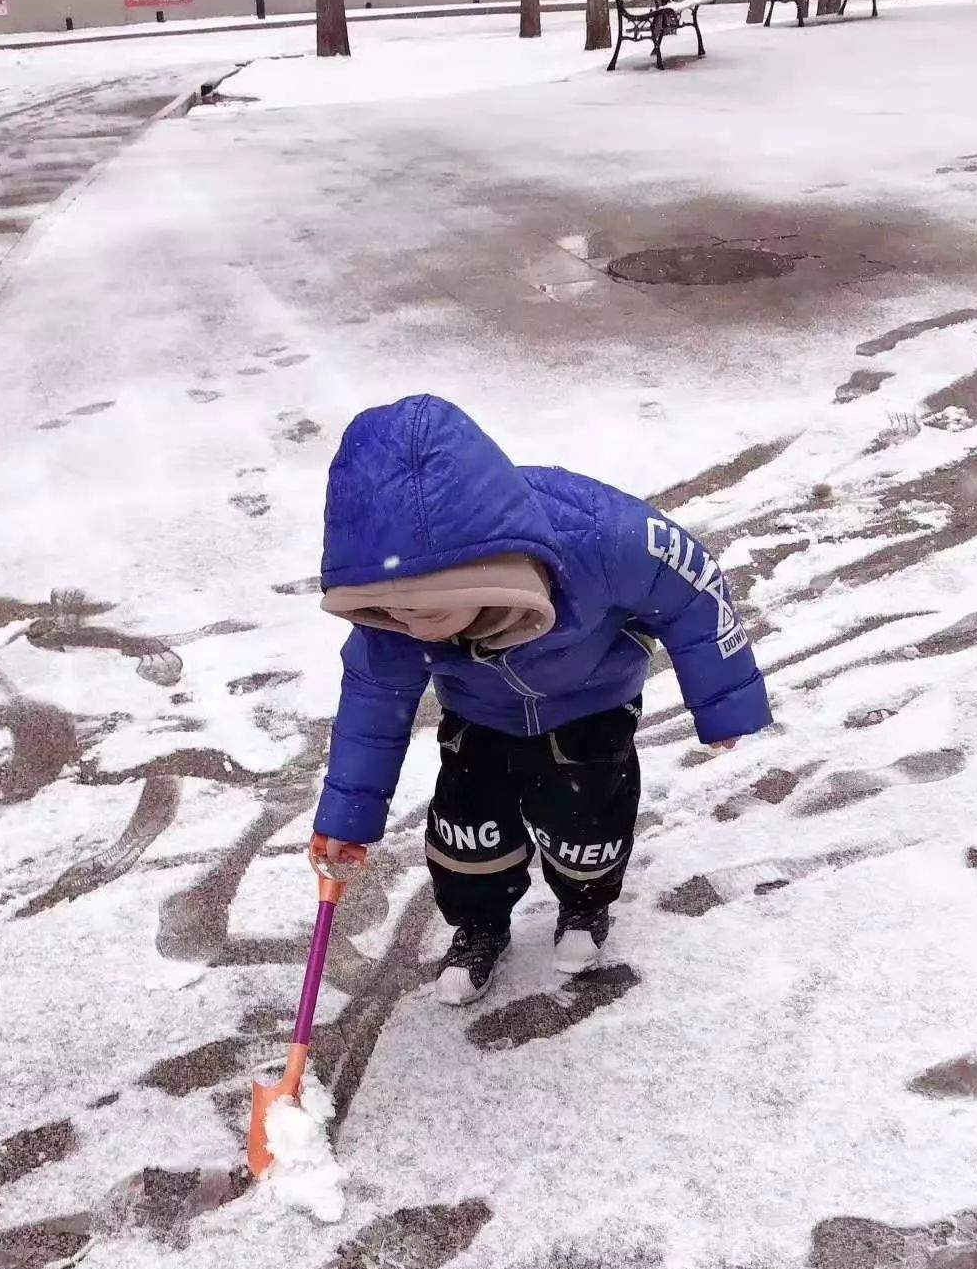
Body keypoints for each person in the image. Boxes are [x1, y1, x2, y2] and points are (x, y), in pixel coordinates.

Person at [309, 395, 771, 1004]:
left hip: (593, 701)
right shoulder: (399, 605)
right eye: (395, 612)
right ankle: (479, 925)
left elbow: (692, 593)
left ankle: (584, 907)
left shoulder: (603, 537)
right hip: (480, 713)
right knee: (463, 830)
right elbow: (372, 706)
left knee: (587, 822)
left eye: (429, 612)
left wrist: (724, 703)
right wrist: (347, 820)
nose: (414, 628)